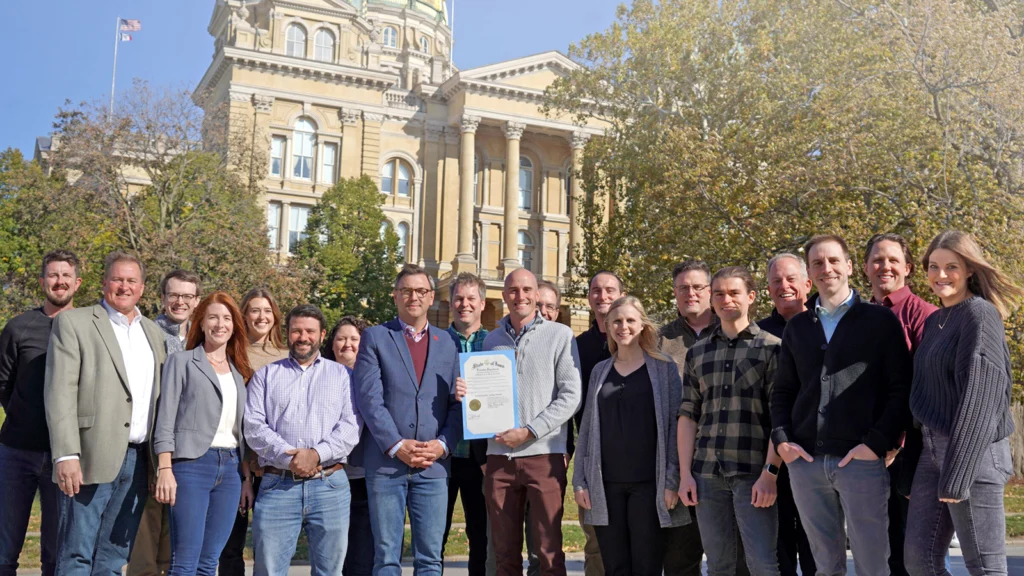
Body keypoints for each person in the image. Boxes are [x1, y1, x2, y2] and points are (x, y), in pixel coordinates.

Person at [770, 235, 912, 576]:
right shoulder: (799, 327)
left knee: (872, 565)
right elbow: (783, 391)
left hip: (861, 461)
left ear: (849, 267)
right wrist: (782, 440)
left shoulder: (879, 322)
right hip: (805, 462)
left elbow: (900, 390)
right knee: (824, 567)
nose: (827, 268)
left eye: (834, 260)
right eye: (817, 263)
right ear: (810, 275)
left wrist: (875, 445)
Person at [905, 230, 1024, 576]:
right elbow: (923, 396)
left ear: (969, 270)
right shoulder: (935, 321)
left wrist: (958, 472)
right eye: (934, 267)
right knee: (919, 561)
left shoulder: (979, 314)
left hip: (975, 453)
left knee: (985, 567)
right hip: (932, 453)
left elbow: (982, 395)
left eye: (951, 267)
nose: (941, 275)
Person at [44, 251, 168, 576]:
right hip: (88, 457)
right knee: (76, 554)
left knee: (114, 559)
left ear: (142, 288)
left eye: (131, 281)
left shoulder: (154, 334)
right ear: (104, 284)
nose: (124, 287)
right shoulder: (75, 323)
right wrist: (66, 455)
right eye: (117, 279)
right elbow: (59, 392)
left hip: (139, 462)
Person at [352, 264, 462, 576]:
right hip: (387, 466)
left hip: (433, 465)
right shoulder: (375, 337)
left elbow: (458, 404)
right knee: (386, 558)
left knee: (430, 560)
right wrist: (396, 444)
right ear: (396, 296)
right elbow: (369, 400)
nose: (413, 296)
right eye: (406, 291)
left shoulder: (448, 343)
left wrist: (441, 446)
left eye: (421, 291)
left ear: (431, 298)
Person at [678, 267, 783, 576]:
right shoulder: (698, 352)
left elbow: (780, 418)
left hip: (753, 475)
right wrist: (686, 474)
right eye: (719, 293)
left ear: (751, 297)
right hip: (707, 475)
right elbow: (687, 416)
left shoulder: (771, 348)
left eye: (734, 292)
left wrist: (770, 473)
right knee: (719, 565)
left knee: (763, 564)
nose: (726, 299)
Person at [573, 295, 689, 576]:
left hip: (649, 486)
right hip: (606, 485)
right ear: (609, 326)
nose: (622, 326)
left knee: (647, 566)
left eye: (629, 321)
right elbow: (587, 428)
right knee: (614, 567)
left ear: (642, 326)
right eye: (616, 321)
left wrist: (671, 480)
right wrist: (580, 481)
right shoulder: (600, 371)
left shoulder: (664, 369)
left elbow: (676, 429)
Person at [479, 268, 582, 576]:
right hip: (499, 457)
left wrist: (529, 431)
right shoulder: (491, 341)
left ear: (537, 295)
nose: (519, 296)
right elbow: (484, 397)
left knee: (549, 552)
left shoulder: (560, 335)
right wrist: (467, 391)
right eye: (512, 290)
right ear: (504, 295)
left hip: (544, 456)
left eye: (526, 290)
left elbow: (571, 395)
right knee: (504, 554)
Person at [245, 304, 361, 576]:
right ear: (287, 333)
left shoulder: (343, 376)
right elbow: (253, 426)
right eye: (296, 331)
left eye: (310, 331)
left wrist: (316, 455)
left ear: (322, 336)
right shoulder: (266, 375)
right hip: (277, 485)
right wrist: (291, 457)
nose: (303, 337)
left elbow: (351, 425)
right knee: (268, 571)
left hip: (330, 485)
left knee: (330, 572)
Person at [152, 292, 253, 576]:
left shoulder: (238, 373)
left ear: (234, 325)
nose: (220, 324)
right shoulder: (181, 362)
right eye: (213, 317)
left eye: (226, 318)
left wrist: (245, 478)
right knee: (184, 563)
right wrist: (165, 468)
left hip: (230, 471)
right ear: (201, 322)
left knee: (209, 563)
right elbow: (165, 420)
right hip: (191, 467)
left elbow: (239, 431)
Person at [659, 260, 746, 576]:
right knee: (681, 559)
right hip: (676, 465)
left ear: (711, 291)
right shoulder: (658, 341)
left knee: (736, 559)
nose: (690, 293)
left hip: (729, 464)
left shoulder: (735, 332)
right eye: (683, 287)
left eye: (698, 287)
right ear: (675, 293)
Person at [0, 250, 82, 576]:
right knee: (4, 549)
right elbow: (3, 384)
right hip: (16, 452)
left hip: (66, 456)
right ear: (42, 281)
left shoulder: (89, 328)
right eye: (52, 275)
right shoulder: (19, 327)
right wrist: (22, 415)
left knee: (56, 552)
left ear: (77, 282)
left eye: (65, 276)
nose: (59, 282)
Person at [863, 233, 938, 576]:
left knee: (911, 556)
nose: (885, 266)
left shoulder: (925, 316)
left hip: (905, 454)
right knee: (873, 552)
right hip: (863, 450)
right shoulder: (857, 317)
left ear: (908, 268)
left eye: (893, 260)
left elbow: (925, 388)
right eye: (877, 259)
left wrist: (898, 444)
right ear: (865, 268)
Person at [130, 269, 201, 576]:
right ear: (161, 298)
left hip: (191, 451)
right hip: (151, 448)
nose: (180, 302)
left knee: (178, 540)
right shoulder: (146, 334)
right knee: (147, 534)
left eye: (187, 296)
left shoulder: (203, 340)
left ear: (197, 301)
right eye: (173, 295)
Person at [219, 287, 289, 576]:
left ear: (275, 316)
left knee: (269, 548)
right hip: (236, 462)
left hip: (275, 466)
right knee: (230, 545)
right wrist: (246, 468)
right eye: (255, 310)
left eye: (267, 310)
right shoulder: (229, 354)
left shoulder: (287, 356)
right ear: (244, 316)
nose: (261, 316)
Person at [755, 253, 816, 576]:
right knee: (777, 552)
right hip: (769, 458)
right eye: (777, 281)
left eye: (791, 279)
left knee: (816, 550)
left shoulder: (824, 328)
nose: (784, 286)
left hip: (814, 456)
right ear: (767, 289)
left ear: (807, 284)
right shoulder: (758, 335)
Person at [573, 271, 623, 576]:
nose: (602, 296)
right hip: (593, 457)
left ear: (621, 294)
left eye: (609, 290)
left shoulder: (641, 341)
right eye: (596, 290)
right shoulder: (577, 346)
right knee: (595, 543)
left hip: (636, 455)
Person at [442, 273, 491, 576]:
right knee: (435, 534)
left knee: (481, 536)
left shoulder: (496, 342)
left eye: (471, 298)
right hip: (443, 453)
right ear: (450, 303)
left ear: (483, 303)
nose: (465, 304)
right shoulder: (436, 341)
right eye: (459, 298)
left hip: (481, 457)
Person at [323, 315, 373, 576]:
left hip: (365, 479)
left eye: (354, 339)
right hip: (329, 479)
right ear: (331, 344)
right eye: (341, 338)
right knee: (333, 557)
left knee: (362, 557)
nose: (347, 344)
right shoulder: (320, 377)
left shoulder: (374, 378)